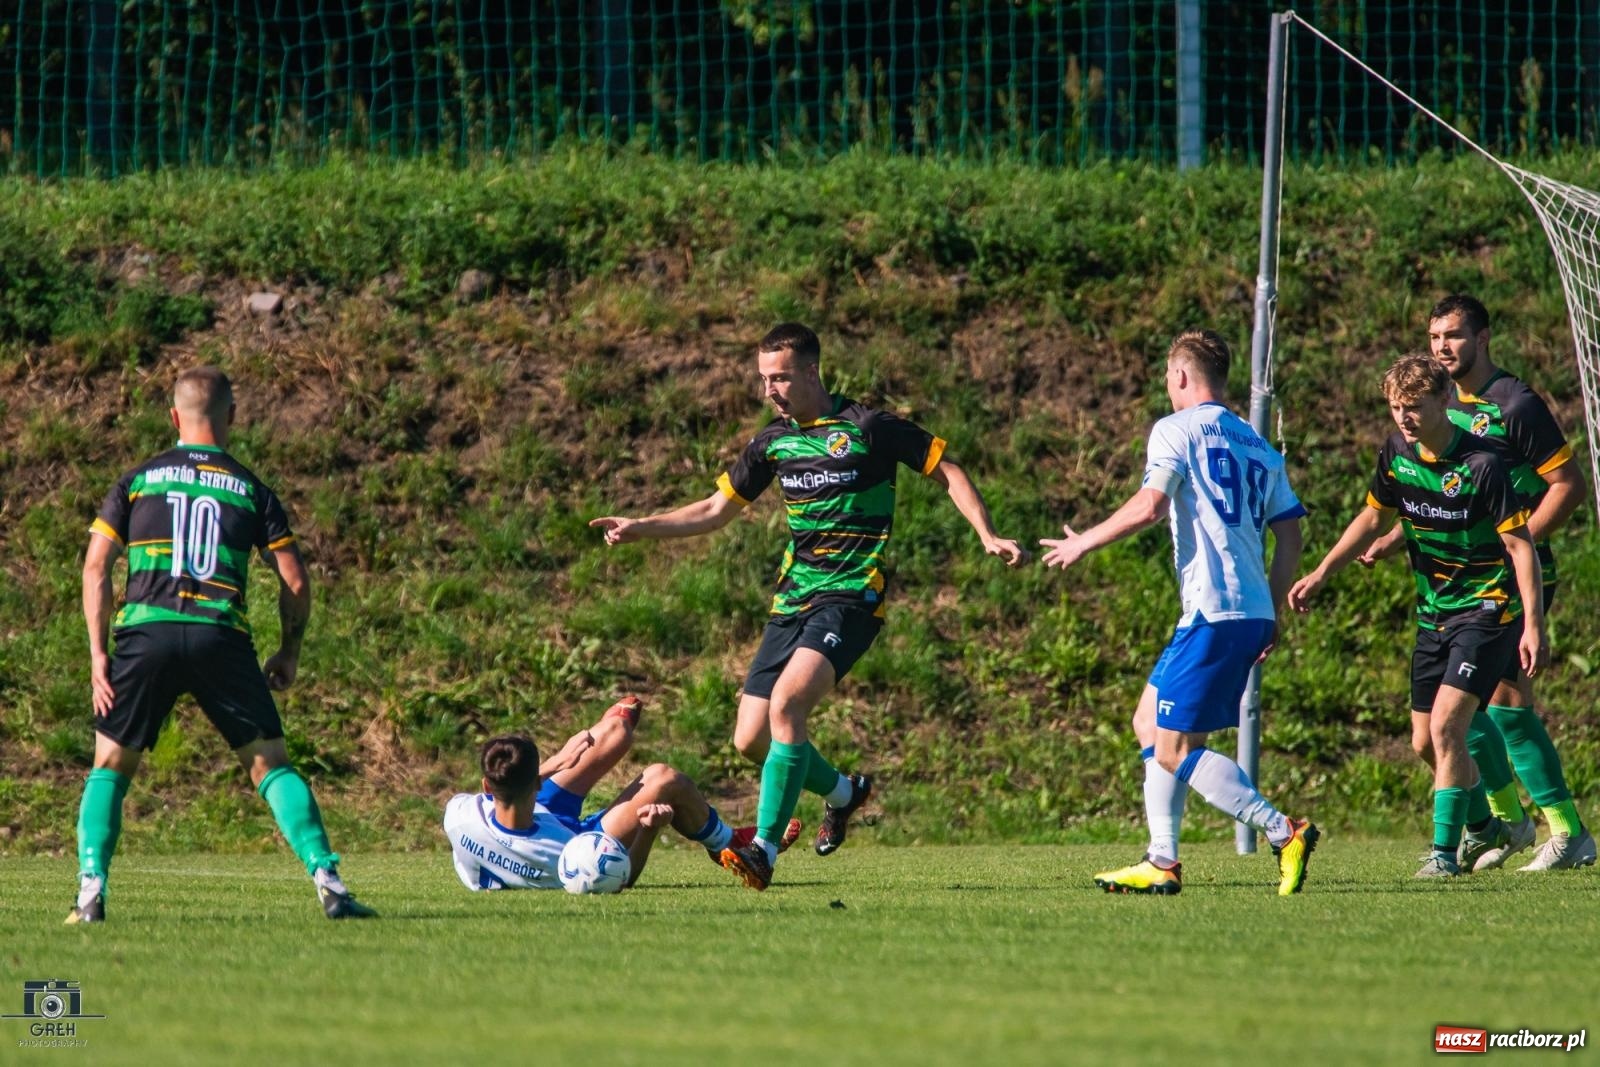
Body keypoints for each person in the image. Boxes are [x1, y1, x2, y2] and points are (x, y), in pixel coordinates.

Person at [590, 323, 1026, 890]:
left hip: (851, 596)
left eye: (781, 377)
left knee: (789, 703)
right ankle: (845, 794)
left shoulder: (868, 426)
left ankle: (764, 849)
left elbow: (948, 468)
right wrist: (640, 525)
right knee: (751, 738)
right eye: (763, 379)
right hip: (793, 600)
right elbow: (714, 509)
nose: (771, 389)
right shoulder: (773, 442)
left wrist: (987, 534)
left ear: (812, 372)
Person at [71, 366, 375, 922]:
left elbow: (96, 567)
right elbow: (297, 581)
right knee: (270, 765)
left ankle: (90, 894)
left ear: (174, 417)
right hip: (220, 636)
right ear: (231, 416)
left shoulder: (137, 481)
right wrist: (290, 651)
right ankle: (330, 884)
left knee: (111, 764)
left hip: (147, 633)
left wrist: (98, 656)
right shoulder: (252, 489)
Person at [1041, 329, 1318, 897]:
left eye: (1168, 379)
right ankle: (1162, 860)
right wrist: (1271, 605)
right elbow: (1289, 532)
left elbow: (1150, 505)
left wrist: (1082, 542)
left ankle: (1283, 830)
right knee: (1150, 721)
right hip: (1243, 611)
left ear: (1183, 377)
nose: (1167, 390)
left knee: (1173, 748)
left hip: (1214, 611)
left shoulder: (1175, 429)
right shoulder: (1258, 444)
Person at [1289, 353, 1547, 878]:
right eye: (1395, 407)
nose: (1404, 417)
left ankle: (1444, 856)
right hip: (1435, 613)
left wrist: (1534, 626)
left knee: (1451, 725)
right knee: (1423, 742)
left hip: (1488, 609)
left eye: (1414, 407)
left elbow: (1521, 549)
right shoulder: (1396, 453)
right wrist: (1321, 572)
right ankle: (1494, 828)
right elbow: (1374, 516)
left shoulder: (1482, 464)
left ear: (1445, 401)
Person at [1358, 295, 1594, 870]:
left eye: (1455, 335)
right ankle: (1504, 821)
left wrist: (1510, 548)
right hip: (1456, 584)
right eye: (1435, 336)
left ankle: (1566, 833)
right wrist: (1398, 535)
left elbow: (1567, 484)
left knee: (1507, 706)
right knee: (1469, 713)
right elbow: (1441, 493)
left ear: (1483, 338)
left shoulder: (1515, 404)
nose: (1443, 346)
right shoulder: (1432, 405)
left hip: (1510, 576)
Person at [443, 696, 800, 890]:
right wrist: (649, 829)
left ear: (486, 787)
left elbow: (510, 787)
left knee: (618, 726)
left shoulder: (459, 815)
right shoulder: (561, 858)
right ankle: (727, 842)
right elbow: (620, 876)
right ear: (535, 784)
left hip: (538, 814)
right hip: (578, 838)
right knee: (663, 778)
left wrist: (557, 763)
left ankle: (606, 739)